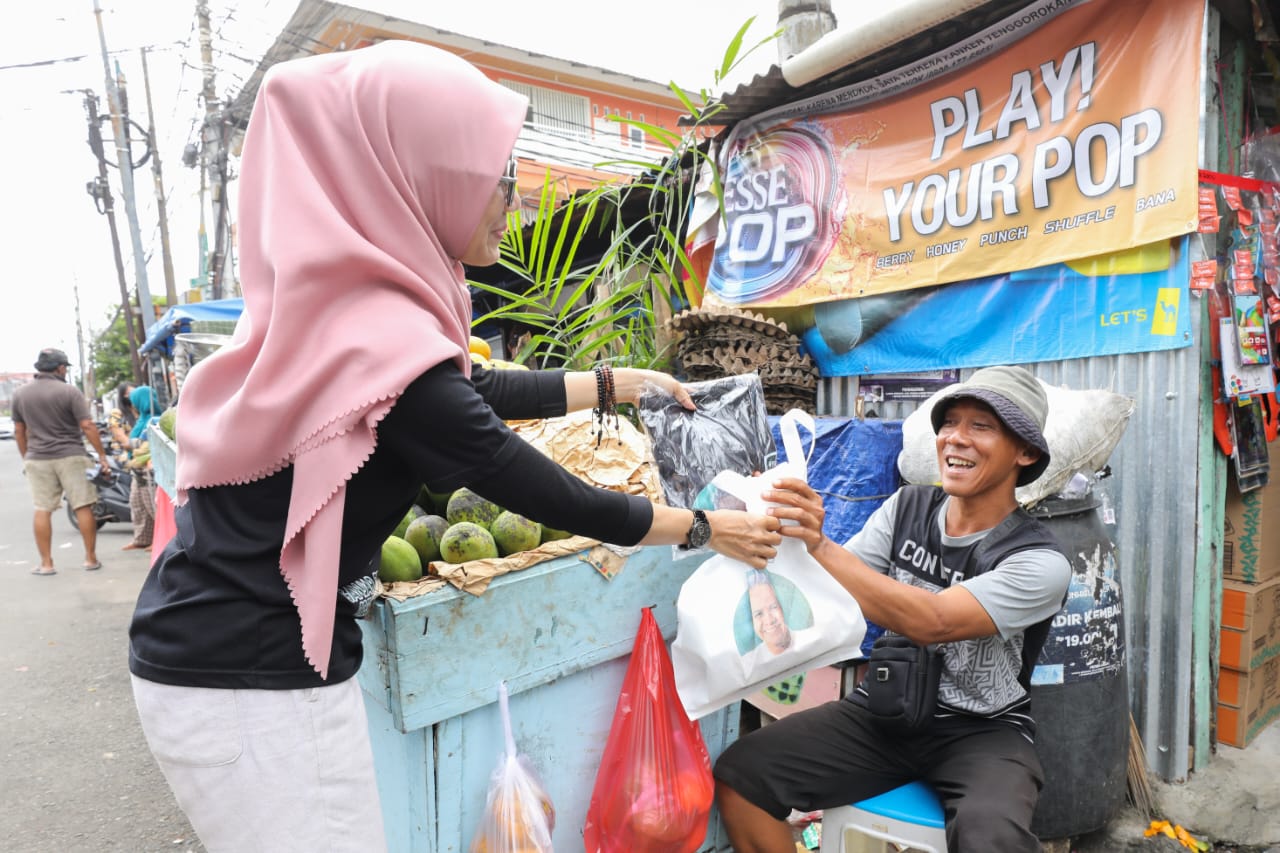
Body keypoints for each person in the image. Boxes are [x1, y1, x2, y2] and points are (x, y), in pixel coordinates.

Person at [126, 41, 782, 853]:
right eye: (498, 174)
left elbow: (468, 391)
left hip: (223, 656)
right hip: (251, 684)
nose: (513, 197)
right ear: (417, 175)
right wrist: (704, 528)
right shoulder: (378, 341)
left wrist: (617, 382)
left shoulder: (350, 318)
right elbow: (544, 491)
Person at [715, 365, 1073, 853]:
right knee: (743, 776)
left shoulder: (1040, 561)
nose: (956, 440)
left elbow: (934, 621)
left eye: (981, 427)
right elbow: (833, 589)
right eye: (950, 423)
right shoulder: (906, 507)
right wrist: (770, 514)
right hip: (883, 712)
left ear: (1025, 453)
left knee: (992, 836)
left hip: (981, 731)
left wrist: (821, 545)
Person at [11, 348, 111, 575]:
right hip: (71, 455)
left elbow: (19, 430)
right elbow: (87, 425)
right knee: (82, 505)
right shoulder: (69, 392)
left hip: (37, 458)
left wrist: (26, 456)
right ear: (60, 368)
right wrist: (102, 456)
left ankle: (46, 564)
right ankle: (90, 559)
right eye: (65, 367)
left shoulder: (20, 394)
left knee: (42, 509)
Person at [109, 385, 159, 551]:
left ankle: (160, 539)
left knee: (152, 504)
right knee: (137, 504)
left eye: (135, 399)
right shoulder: (141, 418)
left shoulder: (154, 419)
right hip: (136, 468)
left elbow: (143, 444)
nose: (133, 403)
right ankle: (142, 538)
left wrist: (131, 446)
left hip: (147, 469)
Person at [745, 568, 793, 655]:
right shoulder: (748, 663)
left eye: (773, 607)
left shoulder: (813, 639)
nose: (769, 620)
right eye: (758, 614)